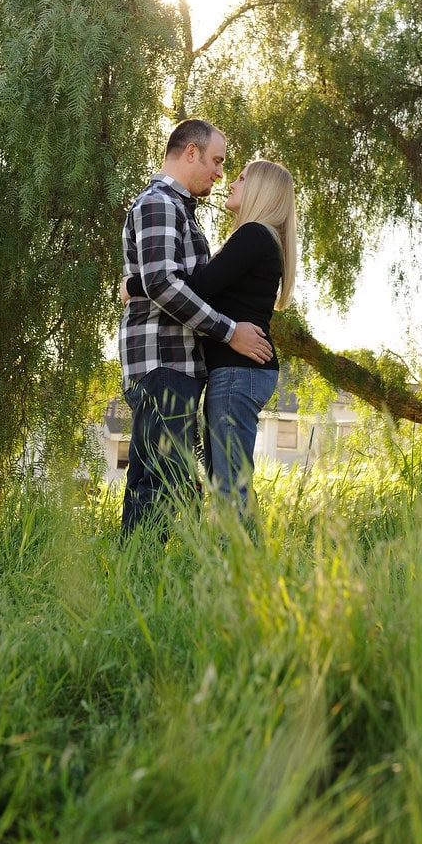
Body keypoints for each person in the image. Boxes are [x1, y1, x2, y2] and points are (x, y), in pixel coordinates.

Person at [119, 119, 274, 539]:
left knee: (174, 482)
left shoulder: (179, 210)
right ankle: (138, 573)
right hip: (161, 361)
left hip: (178, 364)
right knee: (157, 482)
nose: (221, 173)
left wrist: (134, 285)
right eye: (217, 161)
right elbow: (164, 285)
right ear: (191, 152)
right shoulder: (159, 204)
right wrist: (230, 332)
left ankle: (153, 574)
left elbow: (181, 284)